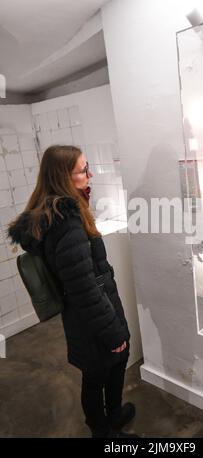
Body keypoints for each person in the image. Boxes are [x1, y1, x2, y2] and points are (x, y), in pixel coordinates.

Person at [8, 145, 137, 438]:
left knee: (114, 363)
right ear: (63, 177)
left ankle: (113, 414)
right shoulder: (67, 224)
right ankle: (101, 431)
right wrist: (112, 331)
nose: (89, 174)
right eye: (82, 170)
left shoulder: (62, 211)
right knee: (97, 373)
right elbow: (83, 288)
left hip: (94, 308)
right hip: (90, 312)